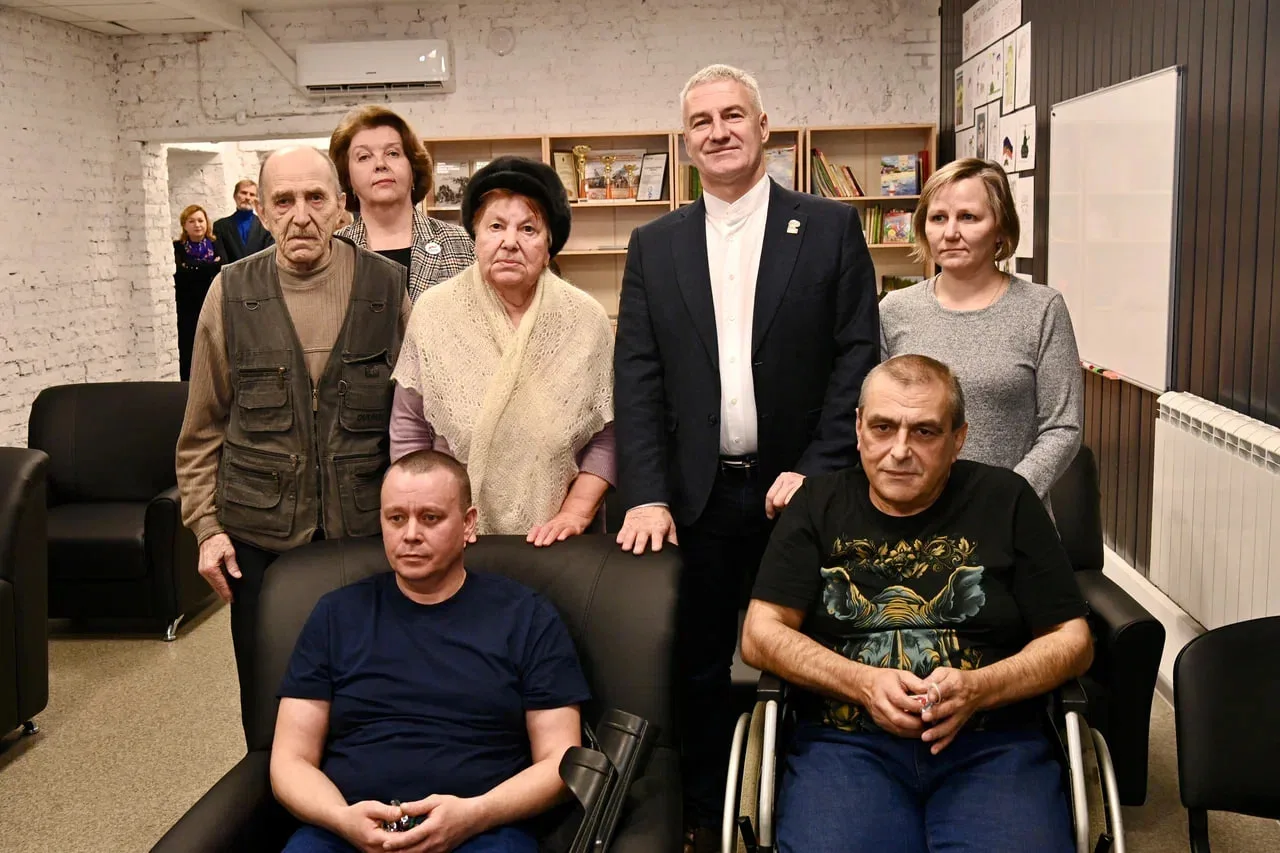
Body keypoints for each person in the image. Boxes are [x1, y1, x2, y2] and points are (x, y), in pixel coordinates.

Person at [612, 64, 880, 848]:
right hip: (693, 499)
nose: (718, 131)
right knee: (695, 665)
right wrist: (645, 492)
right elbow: (637, 375)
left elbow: (857, 355)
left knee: (811, 653)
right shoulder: (654, 244)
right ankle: (706, 811)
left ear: (764, 127)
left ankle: (807, 804)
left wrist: (820, 466)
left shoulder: (828, 226)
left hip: (800, 490)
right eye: (701, 121)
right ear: (686, 141)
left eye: (734, 115)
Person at [741, 355, 1093, 853]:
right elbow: (760, 633)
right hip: (845, 745)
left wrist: (981, 687)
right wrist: (862, 683)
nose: (900, 450)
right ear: (859, 428)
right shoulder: (816, 504)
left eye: (925, 432)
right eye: (883, 427)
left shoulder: (1007, 500)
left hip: (992, 744)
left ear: (958, 439)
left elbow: (1073, 641)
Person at [176, 145, 412, 739]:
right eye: (283, 201)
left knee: (372, 693)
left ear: (341, 207)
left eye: (315, 198)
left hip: (363, 535)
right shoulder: (229, 292)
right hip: (259, 539)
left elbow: (418, 418)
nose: (300, 215)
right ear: (262, 211)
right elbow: (202, 429)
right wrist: (206, 528)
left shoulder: (387, 289)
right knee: (270, 699)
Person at [271, 450, 589, 853]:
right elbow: (290, 759)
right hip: (347, 828)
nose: (410, 534)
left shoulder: (527, 617)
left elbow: (561, 761)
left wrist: (476, 814)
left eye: (430, 518)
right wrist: (340, 817)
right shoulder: (336, 614)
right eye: (396, 518)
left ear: (468, 523)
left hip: (483, 828)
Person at [391, 156, 614, 545]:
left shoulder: (586, 320)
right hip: (454, 533)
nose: (510, 242)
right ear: (475, 236)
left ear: (549, 245)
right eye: (495, 226)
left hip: (561, 538)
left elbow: (608, 432)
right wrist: (425, 515)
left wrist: (576, 512)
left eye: (528, 229)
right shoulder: (434, 312)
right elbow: (409, 426)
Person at [879, 157, 1082, 507]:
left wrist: (1005, 496)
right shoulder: (894, 309)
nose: (950, 232)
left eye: (968, 217)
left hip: (1008, 513)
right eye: (938, 218)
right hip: (914, 515)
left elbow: (1063, 428)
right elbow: (879, 421)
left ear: (1001, 228)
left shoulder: (1042, 309)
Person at [331, 105, 475, 301]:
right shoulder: (332, 252)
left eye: (392, 153)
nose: (380, 164)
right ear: (347, 177)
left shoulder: (465, 244)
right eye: (364, 157)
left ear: (413, 168)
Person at [173, 204, 223, 381]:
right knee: (189, 349)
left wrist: (193, 267)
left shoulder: (216, 244)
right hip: (187, 308)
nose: (197, 225)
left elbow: (223, 269)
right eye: (191, 221)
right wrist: (209, 266)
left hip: (213, 304)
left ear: (206, 223)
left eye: (201, 220)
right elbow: (181, 275)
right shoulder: (177, 248)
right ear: (184, 225)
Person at [212, 179, 274, 262]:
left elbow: (269, 257)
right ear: (235, 196)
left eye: (252, 194)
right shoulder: (220, 226)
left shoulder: (266, 225)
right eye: (244, 193)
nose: (247, 197)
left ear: (256, 200)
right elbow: (223, 260)